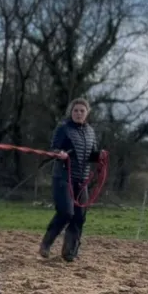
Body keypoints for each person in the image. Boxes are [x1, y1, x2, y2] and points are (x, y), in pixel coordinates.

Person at [39, 98, 104, 262]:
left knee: (79, 217)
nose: (78, 113)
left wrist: (100, 156)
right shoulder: (63, 128)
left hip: (82, 181)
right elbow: (53, 148)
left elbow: (91, 155)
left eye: (82, 111)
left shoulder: (90, 132)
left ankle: (69, 252)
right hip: (63, 177)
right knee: (66, 212)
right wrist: (59, 154)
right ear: (71, 112)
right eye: (76, 110)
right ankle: (46, 244)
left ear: (87, 113)